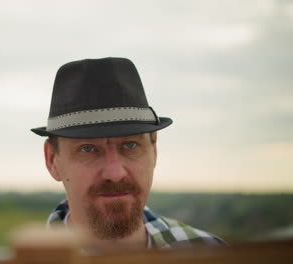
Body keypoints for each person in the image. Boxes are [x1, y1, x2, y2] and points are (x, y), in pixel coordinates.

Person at [31, 57, 224, 250]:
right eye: (88, 149)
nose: (115, 174)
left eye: (130, 145)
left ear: (153, 149)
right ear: (52, 161)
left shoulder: (213, 254)